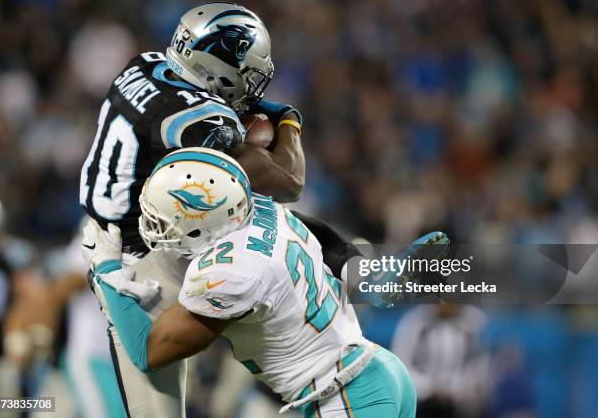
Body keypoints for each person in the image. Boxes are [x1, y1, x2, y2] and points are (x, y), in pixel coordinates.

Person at [79, 2, 308, 417]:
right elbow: (290, 183)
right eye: (248, 71)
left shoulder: (144, 64)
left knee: (282, 245)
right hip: (143, 260)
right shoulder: (200, 118)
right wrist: (290, 123)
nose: (254, 84)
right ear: (216, 67)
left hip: (141, 226)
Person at [82, 147, 417, 418]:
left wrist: (107, 270)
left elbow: (148, 351)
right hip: (377, 372)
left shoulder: (229, 272)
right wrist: (358, 269)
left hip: (346, 398)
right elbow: (322, 235)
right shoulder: (258, 208)